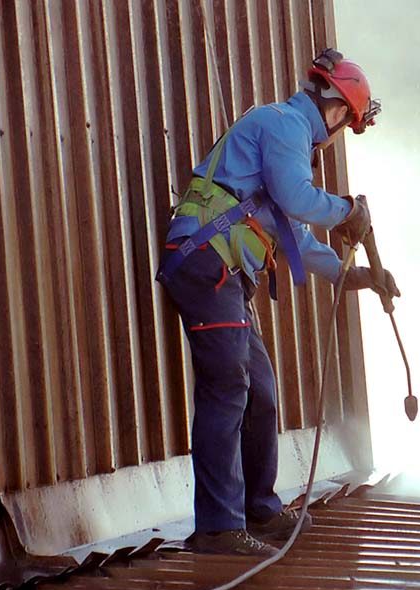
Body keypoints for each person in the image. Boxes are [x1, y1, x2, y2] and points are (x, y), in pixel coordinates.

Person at [157, 48, 400, 556]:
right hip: (207, 266)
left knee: (259, 387)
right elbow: (296, 198)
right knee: (228, 388)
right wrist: (348, 210)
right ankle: (219, 529)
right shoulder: (285, 124)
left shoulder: (280, 135)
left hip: (222, 275)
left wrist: (350, 274)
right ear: (336, 110)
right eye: (345, 123)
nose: (335, 135)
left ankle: (259, 510)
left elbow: (294, 235)